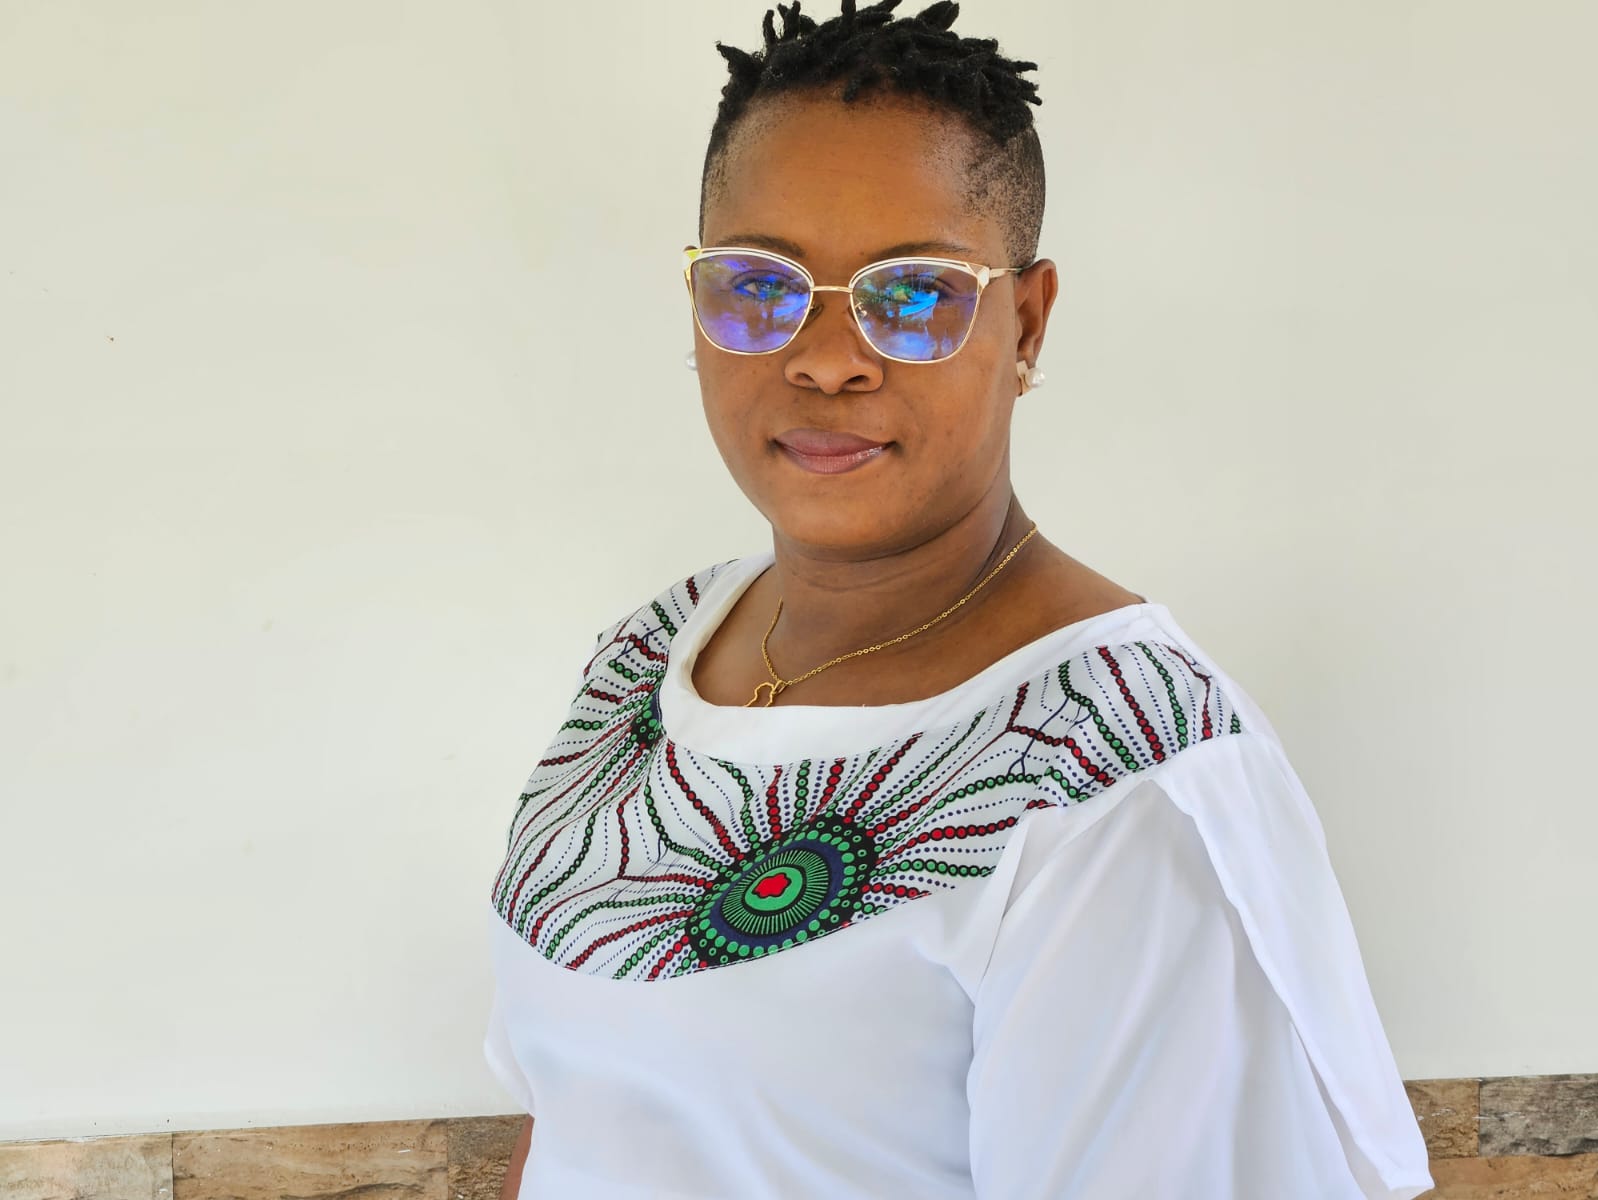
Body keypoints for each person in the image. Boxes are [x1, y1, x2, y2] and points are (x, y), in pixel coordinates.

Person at [482, 2, 1436, 1196]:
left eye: (915, 293)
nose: (826, 356)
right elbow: (569, 1120)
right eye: (757, 286)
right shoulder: (644, 662)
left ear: (1024, 323)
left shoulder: (1118, 784)